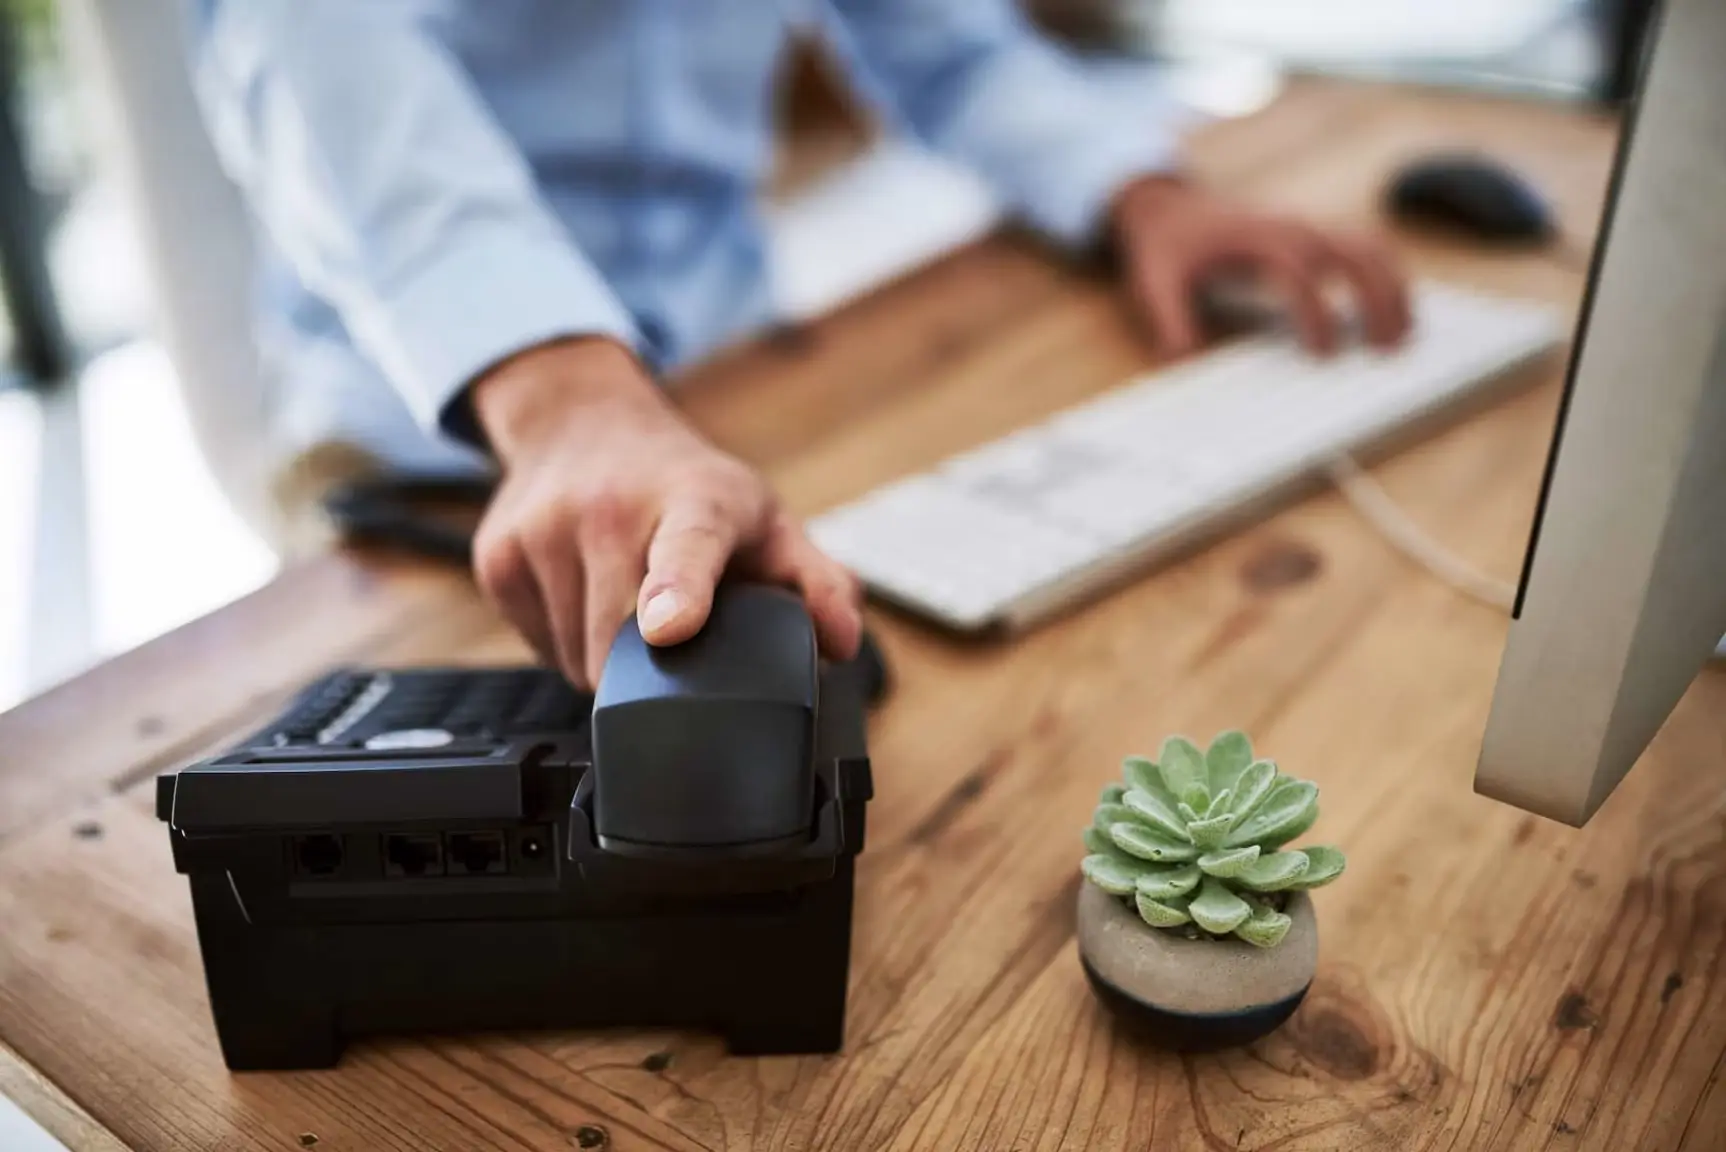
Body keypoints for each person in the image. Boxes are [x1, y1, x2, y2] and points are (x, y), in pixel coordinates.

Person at [188, 0, 1412, 689]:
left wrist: (1142, 192)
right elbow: (299, 39)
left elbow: (943, 46)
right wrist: (565, 399)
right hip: (430, 435)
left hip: (736, 390)